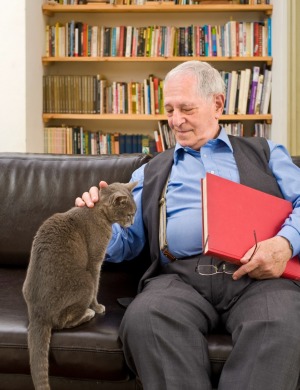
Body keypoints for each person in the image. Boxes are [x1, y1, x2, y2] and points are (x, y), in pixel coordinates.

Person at [76, 61, 300, 390]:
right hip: (179, 280)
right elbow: (127, 244)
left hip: (260, 278)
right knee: (146, 317)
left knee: (284, 321)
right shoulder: (150, 172)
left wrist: (284, 245)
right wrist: (95, 223)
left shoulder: (265, 153)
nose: (176, 121)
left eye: (186, 108)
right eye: (169, 110)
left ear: (218, 104)